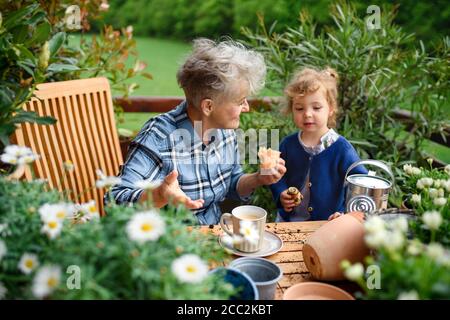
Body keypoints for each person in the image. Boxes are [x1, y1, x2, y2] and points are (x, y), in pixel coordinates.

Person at [110, 38, 286, 225]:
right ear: (208, 106)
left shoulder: (224, 130)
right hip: (174, 241)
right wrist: (159, 195)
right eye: (240, 101)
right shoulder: (158, 138)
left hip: (215, 235)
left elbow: (232, 183)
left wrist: (258, 178)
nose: (246, 107)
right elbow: (114, 202)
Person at [270, 67, 366, 222]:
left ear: (331, 109)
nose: (307, 114)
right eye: (299, 108)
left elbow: (360, 182)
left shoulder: (341, 148)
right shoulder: (288, 144)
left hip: (327, 225)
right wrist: (281, 193)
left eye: (316, 107)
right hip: (288, 223)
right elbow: (275, 175)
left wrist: (344, 212)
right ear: (291, 110)